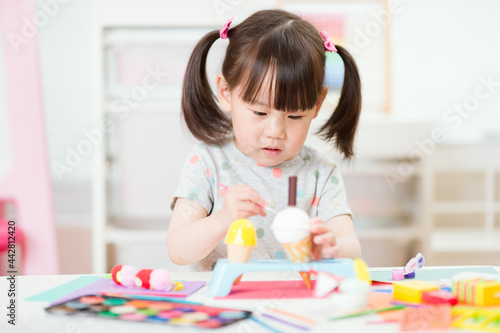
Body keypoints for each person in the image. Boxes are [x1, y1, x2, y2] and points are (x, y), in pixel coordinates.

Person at [167, 9, 362, 271]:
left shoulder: (320, 174)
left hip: (295, 301)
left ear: (316, 105)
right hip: (225, 304)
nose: (275, 132)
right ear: (226, 93)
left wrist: (329, 246)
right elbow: (178, 250)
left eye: (294, 116)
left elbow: (351, 246)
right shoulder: (207, 162)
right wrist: (222, 218)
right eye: (260, 112)